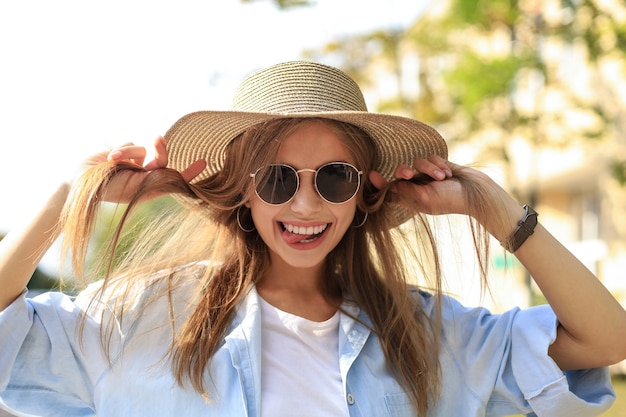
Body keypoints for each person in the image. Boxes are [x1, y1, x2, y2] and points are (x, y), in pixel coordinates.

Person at [0, 61, 625, 417]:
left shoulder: (427, 336)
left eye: (333, 177)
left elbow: (606, 338)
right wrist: (71, 193)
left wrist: (494, 208)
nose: (305, 203)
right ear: (242, 189)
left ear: (363, 189)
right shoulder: (137, 318)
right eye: (275, 178)